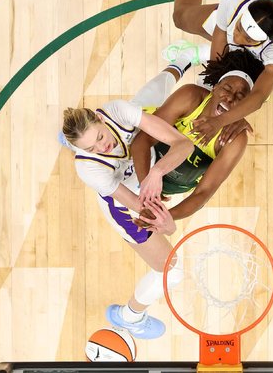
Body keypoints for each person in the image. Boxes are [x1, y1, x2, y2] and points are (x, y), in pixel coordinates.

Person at [60, 50, 202, 339]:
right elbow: (139, 207)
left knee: (150, 100)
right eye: (91, 148)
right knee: (171, 272)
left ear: (101, 119)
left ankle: (180, 60)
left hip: (141, 163)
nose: (103, 147)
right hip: (125, 204)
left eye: (100, 137)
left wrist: (157, 172)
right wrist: (167, 224)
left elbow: (183, 145)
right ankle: (130, 316)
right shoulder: (90, 170)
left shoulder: (117, 111)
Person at [144, 0, 273, 145]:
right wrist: (213, 80)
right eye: (239, 29)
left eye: (248, 39)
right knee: (180, 18)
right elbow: (221, 38)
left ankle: (195, 53)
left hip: (251, 67)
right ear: (242, 16)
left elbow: (259, 96)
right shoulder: (233, 4)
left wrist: (223, 118)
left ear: (263, 40)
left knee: (240, 95)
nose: (238, 39)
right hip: (225, 37)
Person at [131, 47, 265, 227]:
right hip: (143, 133)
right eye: (226, 88)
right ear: (215, 87)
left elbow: (204, 192)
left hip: (170, 182)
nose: (230, 98)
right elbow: (142, 141)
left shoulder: (235, 139)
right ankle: (184, 58)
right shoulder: (190, 97)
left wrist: (163, 216)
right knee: (155, 89)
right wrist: (147, 190)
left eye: (240, 97)